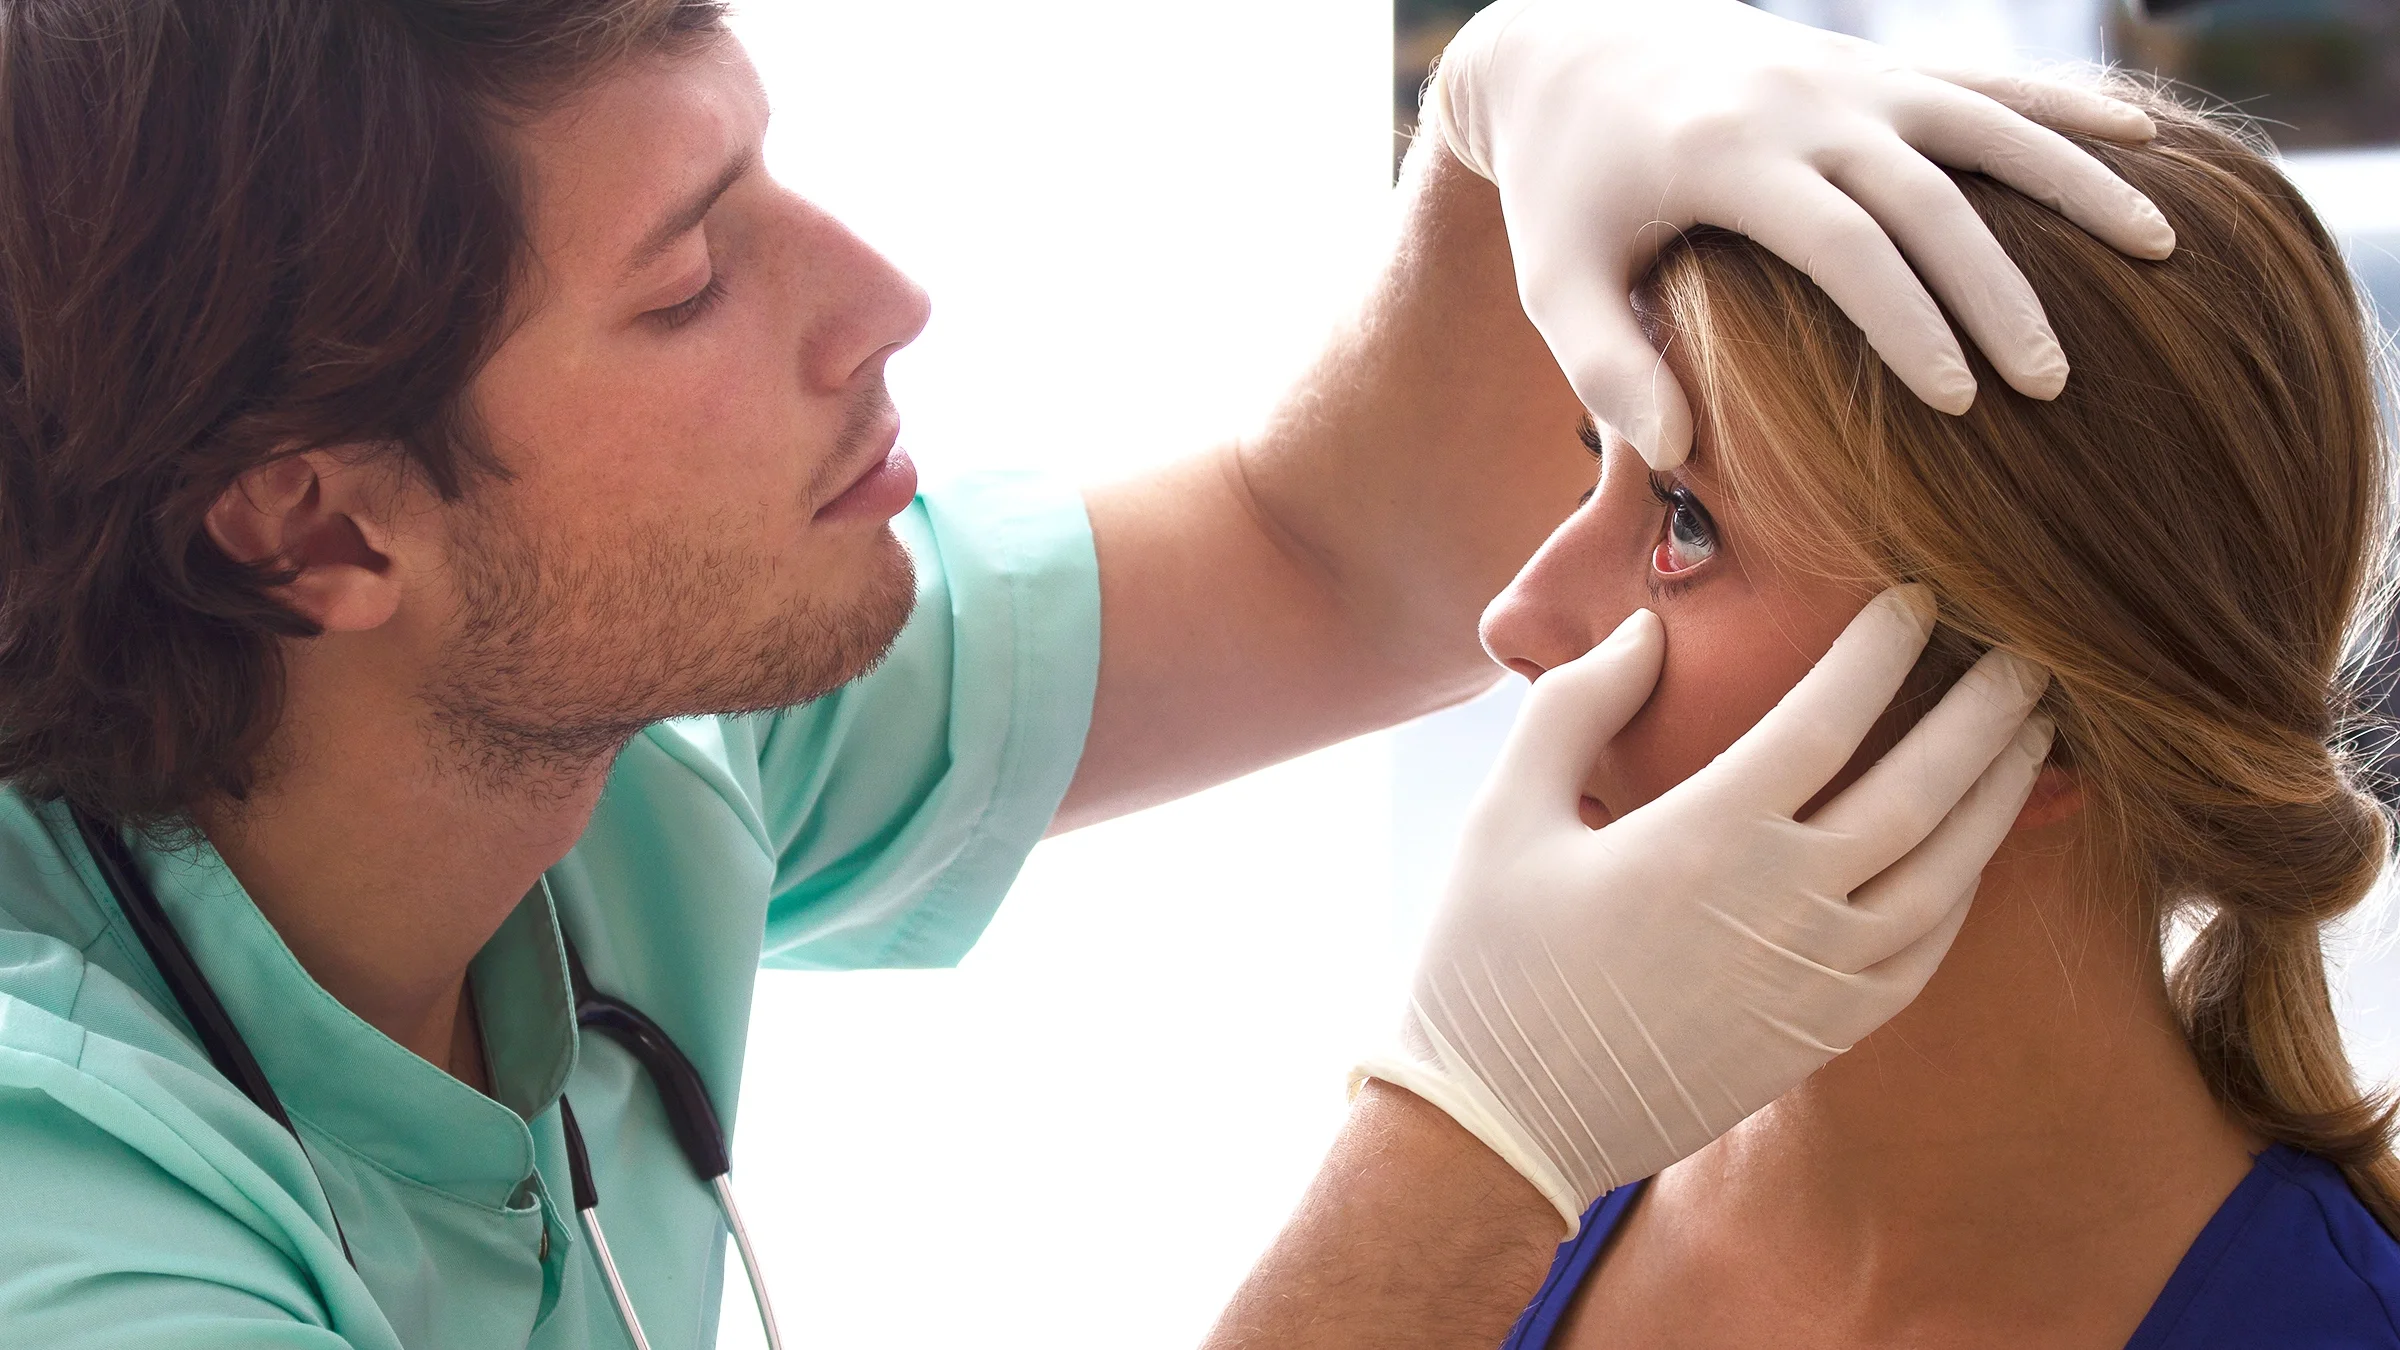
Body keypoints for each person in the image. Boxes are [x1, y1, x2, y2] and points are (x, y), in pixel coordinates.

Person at [0, 1, 2174, 1346]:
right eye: (689, 283)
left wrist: (1510, 112)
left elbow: (1328, 563)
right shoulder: (73, 1241)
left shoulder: (611, 744)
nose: (884, 298)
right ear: (320, 525)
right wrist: (1474, 1143)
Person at [1477, 84, 2400, 1348]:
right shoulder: (1479, 1209)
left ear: (2050, 730)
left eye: (1688, 522)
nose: (1515, 619)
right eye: (1598, 461)